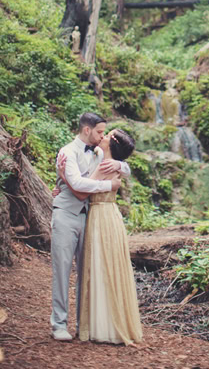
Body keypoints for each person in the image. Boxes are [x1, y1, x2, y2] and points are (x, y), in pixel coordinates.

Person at [59, 128, 143, 345]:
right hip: (108, 214)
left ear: (111, 144)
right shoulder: (105, 159)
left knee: (100, 266)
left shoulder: (106, 163)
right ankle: (106, 321)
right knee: (106, 266)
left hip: (100, 215)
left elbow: (82, 192)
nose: (101, 137)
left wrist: (63, 178)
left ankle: (104, 326)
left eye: (106, 136)